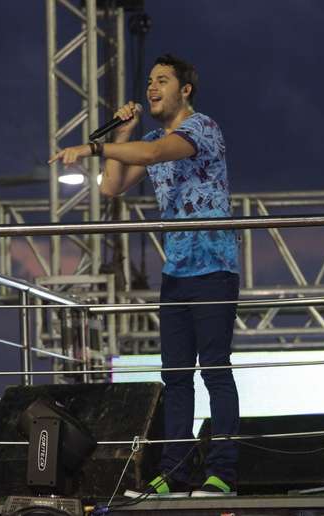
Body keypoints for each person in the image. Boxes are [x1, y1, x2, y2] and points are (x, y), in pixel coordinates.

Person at [49, 54, 240, 498]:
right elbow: (111, 187)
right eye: (150, 80)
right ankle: (174, 473)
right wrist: (122, 132)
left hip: (214, 267)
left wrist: (94, 148)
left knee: (214, 370)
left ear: (185, 90)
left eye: (162, 81)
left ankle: (223, 474)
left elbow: (157, 154)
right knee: (175, 375)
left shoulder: (202, 128)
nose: (152, 87)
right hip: (176, 272)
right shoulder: (148, 135)